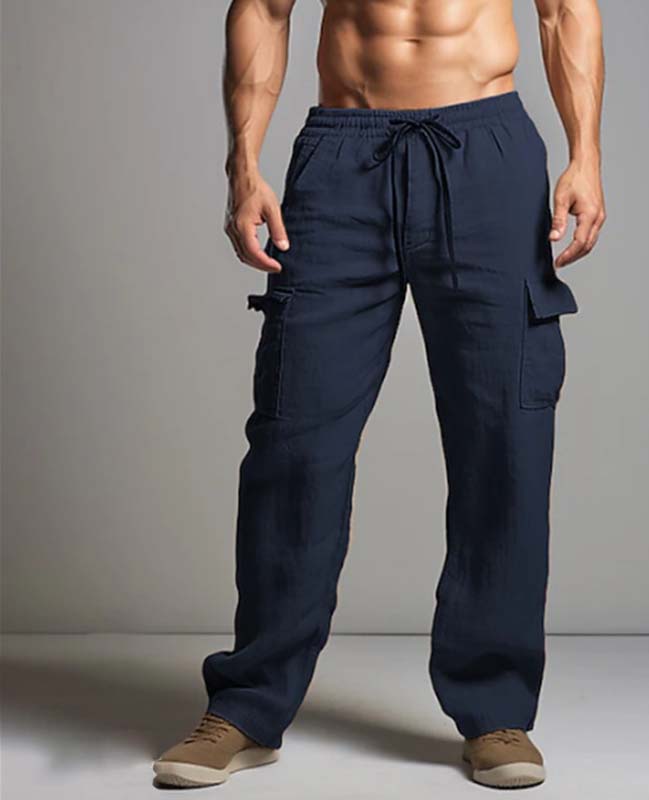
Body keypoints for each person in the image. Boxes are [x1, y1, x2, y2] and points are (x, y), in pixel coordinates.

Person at [154, 0, 605, 790]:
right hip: (343, 156)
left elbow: (566, 9)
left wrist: (586, 154)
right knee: (295, 439)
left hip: (485, 149)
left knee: (504, 436)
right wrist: (243, 163)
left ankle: (496, 710)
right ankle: (248, 706)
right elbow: (262, 8)